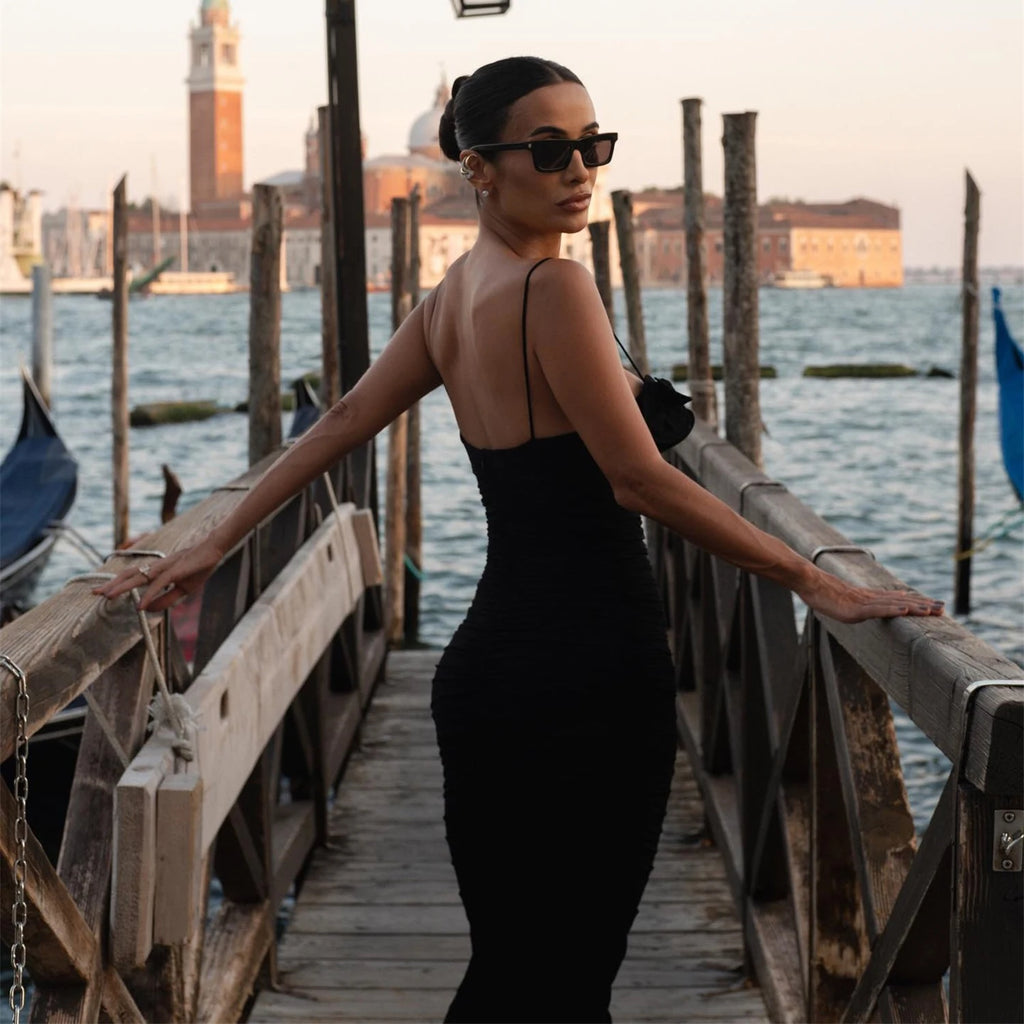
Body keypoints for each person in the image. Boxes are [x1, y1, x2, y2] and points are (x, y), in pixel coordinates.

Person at [96, 56, 944, 1023]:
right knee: (565, 981)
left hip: (488, 679)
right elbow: (637, 478)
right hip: (588, 674)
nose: (580, 168)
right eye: (549, 149)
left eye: (593, 145)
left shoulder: (456, 292)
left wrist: (209, 539)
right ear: (479, 167)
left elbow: (334, 427)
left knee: (512, 972)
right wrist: (810, 577)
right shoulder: (555, 286)